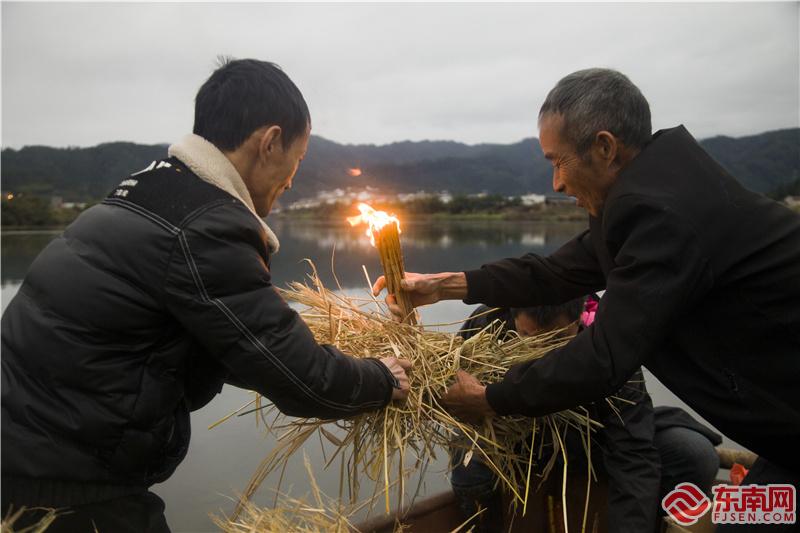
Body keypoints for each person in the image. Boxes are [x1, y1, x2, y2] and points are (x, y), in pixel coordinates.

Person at [1, 59, 411, 532]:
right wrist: (382, 377)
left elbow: (232, 341)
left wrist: (308, 348)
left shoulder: (149, 190)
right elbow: (303, 381)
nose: (293, 179)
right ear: (270, 142)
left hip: (25, 453)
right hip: (66, 483)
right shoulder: (207, 226)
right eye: (296, 161)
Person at [374, 68, 800, 502]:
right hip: (782, 425)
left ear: (604, 147)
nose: (556, 183)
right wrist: (444, 285)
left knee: (752, 518)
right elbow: (554, 273)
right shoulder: (648, 196)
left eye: (558, 161)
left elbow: (606, 355)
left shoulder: (665, 214)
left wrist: (492, 398)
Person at [450, 299, 721, 533]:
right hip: (518, 445)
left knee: (692, 454)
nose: (540, 353)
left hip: (590, 442)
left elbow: (632, 452)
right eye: (527, 336)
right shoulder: (488, 323)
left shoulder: (609, 343)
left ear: (578, 318)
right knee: (468, 456)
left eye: (556, 340)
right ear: (513, 313)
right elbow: (450, 386)